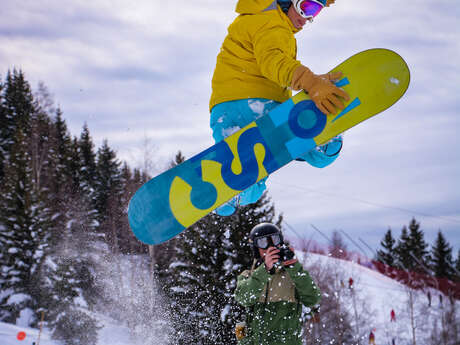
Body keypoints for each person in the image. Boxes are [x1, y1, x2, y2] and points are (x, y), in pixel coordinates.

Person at [210, 0, 350, 216]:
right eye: (307, 7)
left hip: (223, 112)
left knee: (251, 180)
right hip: (258, 105)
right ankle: (322, 141)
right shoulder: (273, 23)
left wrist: (311, 82)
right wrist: (311, 83)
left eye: (315, 11)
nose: (308, 18)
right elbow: (274, 63)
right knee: (316, 154)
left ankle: (231, 194)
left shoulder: (255, 19)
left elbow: (270, 63)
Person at [234, 223, 321, 344]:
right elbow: (244, 298)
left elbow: (313, 298)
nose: (270, 247)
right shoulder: (248, 276)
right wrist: (265, 270)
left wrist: (294, 267)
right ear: (256, 249)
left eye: (275, 240)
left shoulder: (293, 275)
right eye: (263, 243)